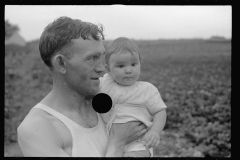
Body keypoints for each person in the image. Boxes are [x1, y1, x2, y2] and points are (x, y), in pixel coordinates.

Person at [17, 17, 147, 157]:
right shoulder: (37, 128)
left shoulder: (109, 99)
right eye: (92, 58)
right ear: (61, 64)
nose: (102, 69)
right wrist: (117, 143)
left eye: (102, 57)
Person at [99, 37, 167, 157]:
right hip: (111, 141)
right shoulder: (107, 84)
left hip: (139, 142)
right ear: (108, 69)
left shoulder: (147, 89)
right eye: (121, 66)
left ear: (140, 63)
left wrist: (155, 131)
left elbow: (160, 111)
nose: (128, 70)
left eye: (134, 64)